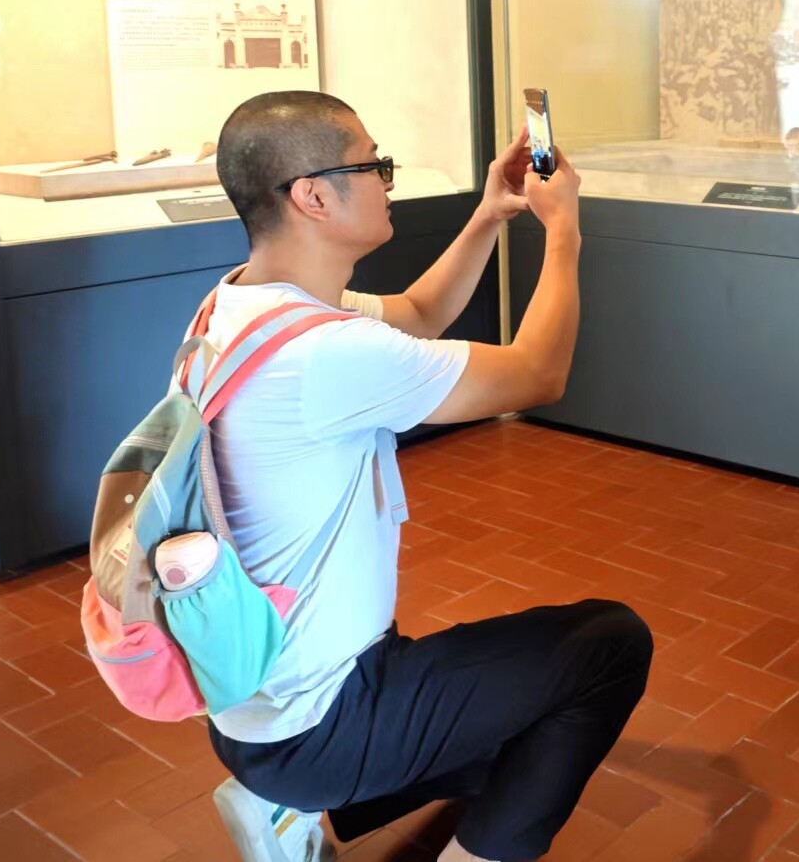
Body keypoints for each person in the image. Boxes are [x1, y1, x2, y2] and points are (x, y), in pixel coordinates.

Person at [199, 92, 652, 862]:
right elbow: (538, 373)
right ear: (312, 195)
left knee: (518, 715)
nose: (387, 178)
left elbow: (414, 311)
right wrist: (565, 229)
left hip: (252, 707)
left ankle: (286, 804)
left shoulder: (238, 305)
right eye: (372, 164)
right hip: (322, 719)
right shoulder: (322, 352)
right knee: (608, 646)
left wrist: (489, 214)